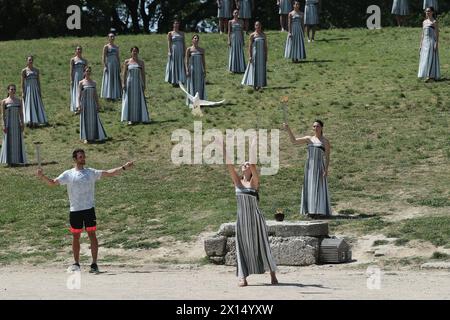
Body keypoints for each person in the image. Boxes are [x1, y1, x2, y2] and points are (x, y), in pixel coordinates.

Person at [36, 149, 134, 273]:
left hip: (89, 209)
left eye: (83, 156)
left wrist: (124, 167)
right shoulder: (68, 174)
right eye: (80, 157)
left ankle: (94, 264)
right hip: (75, 210)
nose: (83, 159)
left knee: (92, 235)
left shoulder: (90, 172)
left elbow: (109, 173)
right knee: (75, 236)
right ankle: (76, 264)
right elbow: (53, 183)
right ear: (75, 159)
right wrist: (42, 176)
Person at [220, 136, 278, 287]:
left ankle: (272, 274)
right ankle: (243, 277)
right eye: (244, 164)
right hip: (242, 220)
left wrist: (253, 145)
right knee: (241, 247)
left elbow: (253, 163)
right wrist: (222, 146)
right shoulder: (238, 183)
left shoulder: (254, 182)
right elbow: (229, 165)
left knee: (263, 246)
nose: (245, 165)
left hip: (256, 219)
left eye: (247, 164)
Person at [283, 120, 332, 218]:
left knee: (319, 188)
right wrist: (288, 130)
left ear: (322, 127)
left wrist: (326, 169)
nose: (315, 128)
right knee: (310, 187)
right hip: (309, 167)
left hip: (319, 166)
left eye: (317, 126)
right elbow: (294, 141)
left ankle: (319, 211)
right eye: (314, 126)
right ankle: (310, 211)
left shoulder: (325, 141)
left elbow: (327, 157)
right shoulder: (308, 139)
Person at [77, 66, 107, 144]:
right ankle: (86, 138)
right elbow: (79, 95)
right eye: (87, 71)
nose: (88, 72)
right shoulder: (81, 82)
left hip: (92, 104)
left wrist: (98, 104)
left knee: (93, 121)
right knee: (85, 121)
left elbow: (95, 95)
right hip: (85, 104)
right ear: (84, 72)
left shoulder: (93, 83)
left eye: (89, 71)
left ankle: (93, 137)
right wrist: (79, 105)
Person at [121, 46, 150, 125]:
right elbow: (124, 74)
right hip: (129, 83)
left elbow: (143, 74)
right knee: (130, 101)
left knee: (138, 100)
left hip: (138, 84)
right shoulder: (127, 62)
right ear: (131, 52)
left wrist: (144, 84)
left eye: (136, 51)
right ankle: (130, 119)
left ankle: (139, 118)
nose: (135, 53)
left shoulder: (141, 62)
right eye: (133, 51)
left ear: (138, 52)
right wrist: (123, 83)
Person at [0, 84, 26, 166]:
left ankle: (16, 160)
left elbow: (21, 113)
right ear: (8, 90)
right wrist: (3, 125)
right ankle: (9, 161)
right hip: (8, 123)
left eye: (14, 89)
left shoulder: (19, 101)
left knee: (17, 142)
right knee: (8, 141)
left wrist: (22, 123)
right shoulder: (4, 101)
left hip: (17, 123)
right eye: (11, 89)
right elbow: (2, 115)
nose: (13, 91)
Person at [21, 55, 48, 127]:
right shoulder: (24, 71)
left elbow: (38, 81)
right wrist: (23, 92)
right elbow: (22, 82)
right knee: (29, 104)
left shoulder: (36, 70)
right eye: (29, 60)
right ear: (27, 61)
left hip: (35, 89)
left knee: (36, 103)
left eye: (31, 60)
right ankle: (29, 121)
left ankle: (36, 121)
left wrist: (39, 90)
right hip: (28, 89)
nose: (30, 61)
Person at [241, 21, 267, 90]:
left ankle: (260, 84)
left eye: (259, 25)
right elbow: (250, 46)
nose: (258, 27)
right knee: (254, 69)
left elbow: (265, 46)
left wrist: (266, 55)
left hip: (261, 56)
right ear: (255, 26)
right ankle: (254, 85)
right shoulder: (252, 35)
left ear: (261, 26)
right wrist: (250, 56)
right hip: (255, 55)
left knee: (261, 70)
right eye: (256, 25)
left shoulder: (263, 35)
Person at [418, 7, 440, 82]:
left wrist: (436, 43)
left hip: (431, 42)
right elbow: (422, 34)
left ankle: (430, 76)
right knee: (424, 58)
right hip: (424, 43)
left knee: (430, 58)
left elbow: (437, 34)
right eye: (426, 11)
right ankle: (425, 74)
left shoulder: (434, 22)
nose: (427, 12)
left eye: (429, 11)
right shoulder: (424, 22)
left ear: (432, 12)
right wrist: (420, 44)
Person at [185, 34, 206, 106]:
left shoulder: (202, 50)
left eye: (197, 38)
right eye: (195, 38)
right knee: (192, 84)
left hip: (199, 70)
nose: (196, 40)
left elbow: (203, 61)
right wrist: (187, 70)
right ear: (192, 40)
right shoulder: (189, 49)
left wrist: (204, 70)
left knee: (199, 84)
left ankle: (200, 101)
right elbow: (187, 61)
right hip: (192, 69)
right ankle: (192, 102)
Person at [165, 20, 186, 87]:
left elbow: (183, 43)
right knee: (173, 64)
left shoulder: (182, 33)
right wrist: (169, 51)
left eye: (177, 23)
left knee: (180, 64)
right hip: (174, 50)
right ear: (173, 25)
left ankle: (181, 80)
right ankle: (174, 81)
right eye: (175, 23)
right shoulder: (170, 33)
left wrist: (185, 51)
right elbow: (169, 43)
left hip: (180, 50)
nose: (176, 24)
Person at [101, 33, 122, 101]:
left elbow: (118, 57)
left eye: (113, 36)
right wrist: (104, 66)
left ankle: (115, 95)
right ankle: (108, 95)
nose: (112, 38)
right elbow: (103, 57)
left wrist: (119, 66)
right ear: (108, 38)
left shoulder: (117, 47)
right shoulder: (106, 47)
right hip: (109, 65)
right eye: (111, 36)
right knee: (109, 79)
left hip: (115, 64)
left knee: (115, 78)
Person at [70, 46, 88, 114]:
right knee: (76, 91)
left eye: (80, 49)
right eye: (78, 49)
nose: (79, 50)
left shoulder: (84, 60)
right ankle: (76, 107)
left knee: (82, 92)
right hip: (76, 78)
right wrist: (71, 79)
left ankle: (82, 106)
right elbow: (71, 70)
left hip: (82, 78)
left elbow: (86, 71)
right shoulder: (73, 60)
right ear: (76, 51)